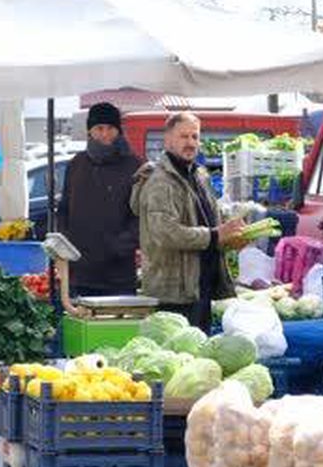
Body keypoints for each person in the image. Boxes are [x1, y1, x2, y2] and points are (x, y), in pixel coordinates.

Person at [130, 112, 247, 331]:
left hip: (199, 287)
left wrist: (231, 239)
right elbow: (165, 233)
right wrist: (215, 235)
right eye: (184, 136)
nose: (191, 143)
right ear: (167, 140)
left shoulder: (199, 175)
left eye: (195, 136)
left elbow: (210, 222)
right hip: (173, 293)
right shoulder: (160, 181)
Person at [57, 102, 143, 297]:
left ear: (119, 131)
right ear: (90, 131)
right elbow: (64, 209)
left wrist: (120, 245)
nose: (105, 134)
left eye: (111, 128)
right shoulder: (76, 164)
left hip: (119, 274)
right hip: (79, 273)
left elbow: (143, 215)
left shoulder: (135, 166)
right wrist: (64, 242)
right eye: (99, 128)